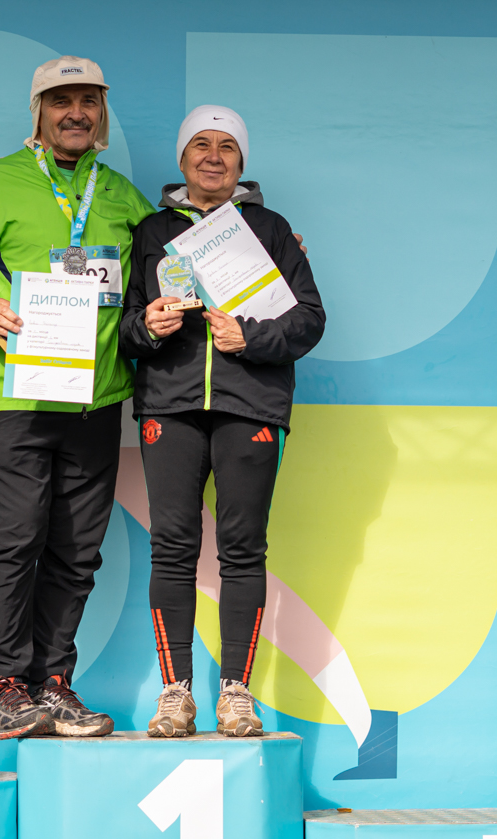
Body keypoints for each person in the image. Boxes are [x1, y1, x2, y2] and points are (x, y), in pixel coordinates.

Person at [0, 56, 154, 739]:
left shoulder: (122, 196)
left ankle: (53, 684)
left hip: (95, 400)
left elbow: (176, 263)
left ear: (102, 113)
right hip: (15, 395)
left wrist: (266, 249)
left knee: (77, 553)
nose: (75, 113)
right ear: (38, 112)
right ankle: (2, 687)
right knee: (17, 540)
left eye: (88, 101)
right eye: (60, 101)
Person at [119, 106, 325, 738]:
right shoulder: (151, 231)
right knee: (172, 548)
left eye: (228, 146)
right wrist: (147, 327)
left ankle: (236, 692)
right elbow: (122, 326)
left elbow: (309, 319)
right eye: (201, 145)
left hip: (250, 406)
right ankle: (175, 695)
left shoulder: (271, 228)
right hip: (170, 406)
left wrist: (250, 337)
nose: (214, 156)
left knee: (243, 550)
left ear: (242, 161)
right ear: (182, 159)